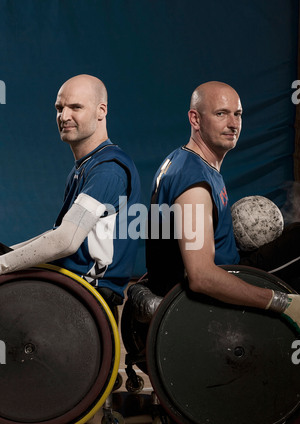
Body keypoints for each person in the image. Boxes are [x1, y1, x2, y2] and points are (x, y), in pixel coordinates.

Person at [146, 81, 300, 327]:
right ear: (195, 119)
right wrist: (282, 302)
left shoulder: (185, 161)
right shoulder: (193, 181)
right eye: (221, 114)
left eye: (237, 114)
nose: (233, 123)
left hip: (225, 266)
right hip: (212, 288)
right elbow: (202, 277)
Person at [0, 74, 141, 313]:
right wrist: (9, 253)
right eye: (59, 108)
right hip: (69, 283)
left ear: (101, 111)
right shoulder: (86, 166)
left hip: (86, 294)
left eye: (75, 107)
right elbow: (59, 234)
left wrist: (2, 264)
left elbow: (65, 240)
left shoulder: (108, 170)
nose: (64, 116)